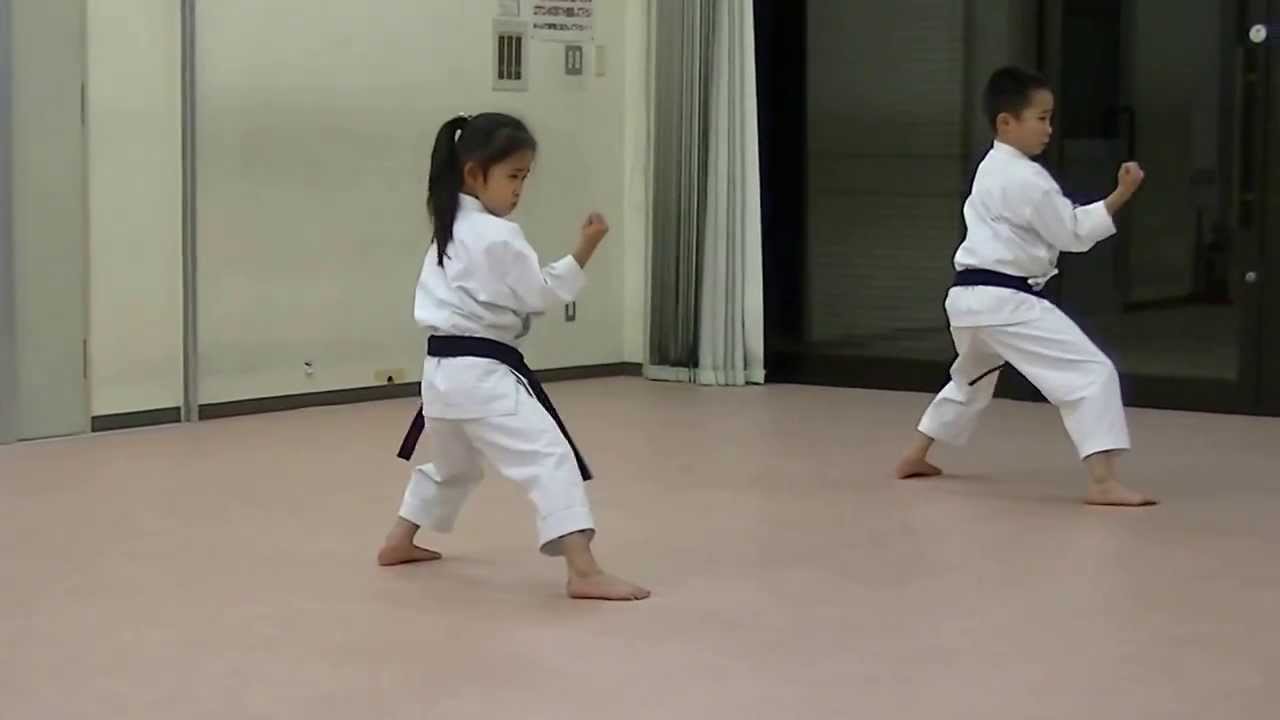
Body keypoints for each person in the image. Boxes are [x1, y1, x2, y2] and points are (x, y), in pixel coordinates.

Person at [378, 112, 651, 600]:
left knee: (455, 468)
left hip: (439, 377)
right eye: (513, 176)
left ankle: (399, 540)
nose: (520, 189)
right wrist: (585, 248)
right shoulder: (498, 234)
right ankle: (584, 571)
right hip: (483, 376)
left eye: (525, 177)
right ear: (473, 173)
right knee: (550, 457)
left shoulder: (448, 226)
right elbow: (537, 295)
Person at [895, 66, 1156, 507]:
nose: (1049, 129)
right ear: (1006, 122)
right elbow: (1072, 233)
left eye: (1050, 118)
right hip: (1005, 301)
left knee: (971, 377)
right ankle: (1102, 481)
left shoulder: (990, 168)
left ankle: (915, 455)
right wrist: (1120, 194)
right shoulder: (1027, 178)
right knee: (1091, 372)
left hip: (966, 300)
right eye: (1041, 118)